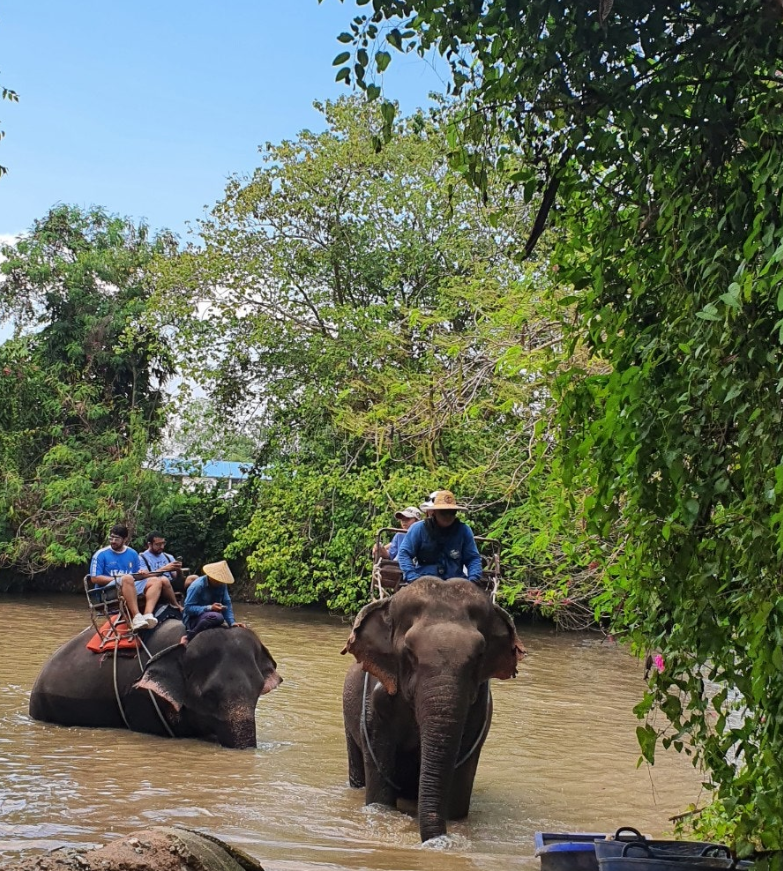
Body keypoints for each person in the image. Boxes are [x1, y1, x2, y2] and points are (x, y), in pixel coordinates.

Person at [89, 524, 179, 632]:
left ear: (125, 539)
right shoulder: (101, 554)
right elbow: (94, 579)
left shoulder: (132, 553)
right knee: (127, 578)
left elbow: (137, 575)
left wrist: (142, 574)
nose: (113, 541)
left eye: (116, 539)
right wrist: (121, 580)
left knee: (156, 580)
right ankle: (136, 616)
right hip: (108, 591)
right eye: (111, 538)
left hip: (130, 585)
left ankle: (147, 614)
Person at [397, 490, 483, 585]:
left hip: (456, 583)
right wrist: (412, 578)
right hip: (424, 582)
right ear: (434, 512)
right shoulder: (419, 529)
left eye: (452, 512)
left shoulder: (464, 530)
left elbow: (473, 558)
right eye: (443, 512)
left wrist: (473, 580)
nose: (448, 516)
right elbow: (404, 553)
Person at [182, 560, 244, 641]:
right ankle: (189, 637)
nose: (220, 583)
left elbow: (227, 603)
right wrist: (210, 608)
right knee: (218, 617)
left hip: (211, 616)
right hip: (194, 618)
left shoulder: (222, 585)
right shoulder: (197, 586)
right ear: (210, 577)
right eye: (217, 580)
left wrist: (232, 623)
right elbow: (188, 608)